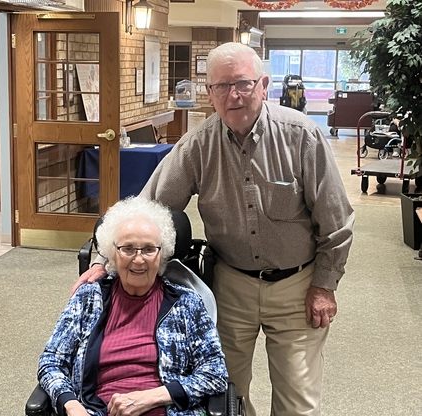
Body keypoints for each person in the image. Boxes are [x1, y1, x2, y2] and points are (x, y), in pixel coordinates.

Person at [74, 42, 355, 416]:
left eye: (242, 83)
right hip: (231, 284)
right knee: (225, 394)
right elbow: (145, 209)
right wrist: (102, 261)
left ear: (264, 84)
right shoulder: (197, 145)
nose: (233, 96)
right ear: (209, 93)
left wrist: (324, 285)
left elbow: (337, 221)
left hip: (298, 286)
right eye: (221, 87)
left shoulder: (301, 136)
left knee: (298, 402)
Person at [38, 196, 228, 416]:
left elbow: (215, 373)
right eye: (128, 249)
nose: (138, 260)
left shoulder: (187, 303)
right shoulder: (88, 299)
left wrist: (150, 397)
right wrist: (71, 405)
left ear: (162, 253)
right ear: (113, 253)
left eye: (148, 249)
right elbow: (51, 362)